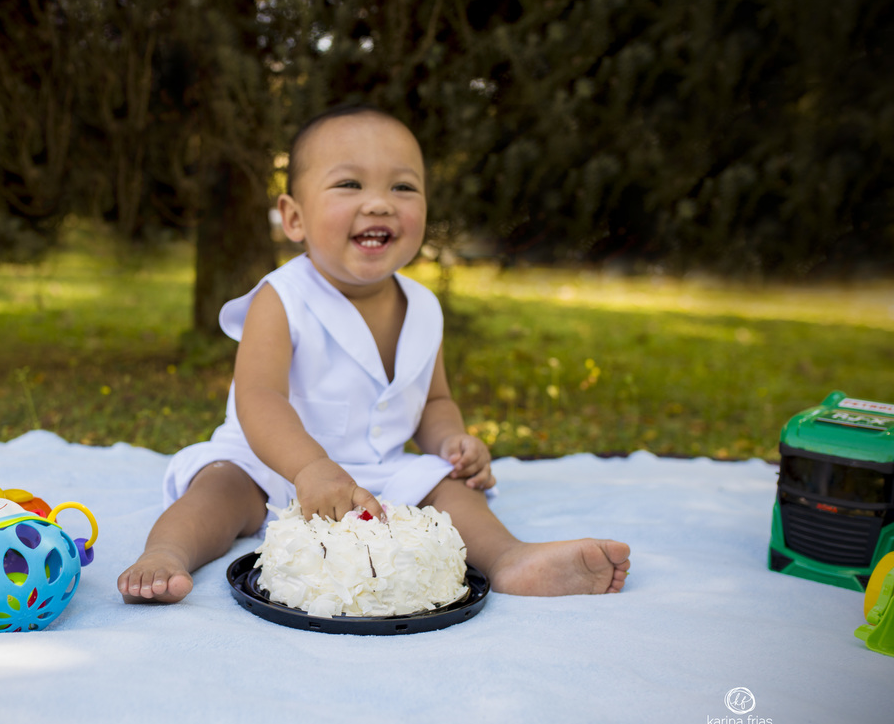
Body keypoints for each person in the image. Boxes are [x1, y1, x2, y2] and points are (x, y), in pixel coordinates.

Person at [118, 105, 630, 603]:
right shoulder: (283, 297)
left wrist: (452, 441)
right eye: (349, 184)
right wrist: (309, 468)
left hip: (376, 473)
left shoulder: (424, 308)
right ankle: (166, 552)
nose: (380, 203)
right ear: (294, 218)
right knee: (217, 487)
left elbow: (433, 401)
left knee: (448, 489)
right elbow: (259, 396)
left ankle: (510, 559)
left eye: (402, 187)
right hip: (269, 464)